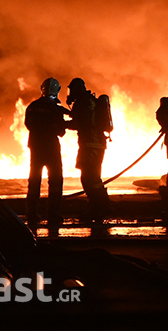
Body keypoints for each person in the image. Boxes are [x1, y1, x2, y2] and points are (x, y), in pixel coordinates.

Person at [24, 77, 69, 229]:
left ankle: (31, 214)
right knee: (56, 181)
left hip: (36, 148)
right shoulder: (55, 109)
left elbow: (28, 124)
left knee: (34, 181)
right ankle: (53, 215)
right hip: (51, 148)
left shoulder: (33, 106)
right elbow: (61, 131)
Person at [65, 77, 110, 223]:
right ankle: (99, 208)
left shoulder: (82, 103)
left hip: (90, 144)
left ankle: (98, 209)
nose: (70, 92)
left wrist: (62, 124)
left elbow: (80, 123)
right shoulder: (90, 101)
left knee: (89, 178)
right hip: (95, 143)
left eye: (72, 89)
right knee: (93, 177)